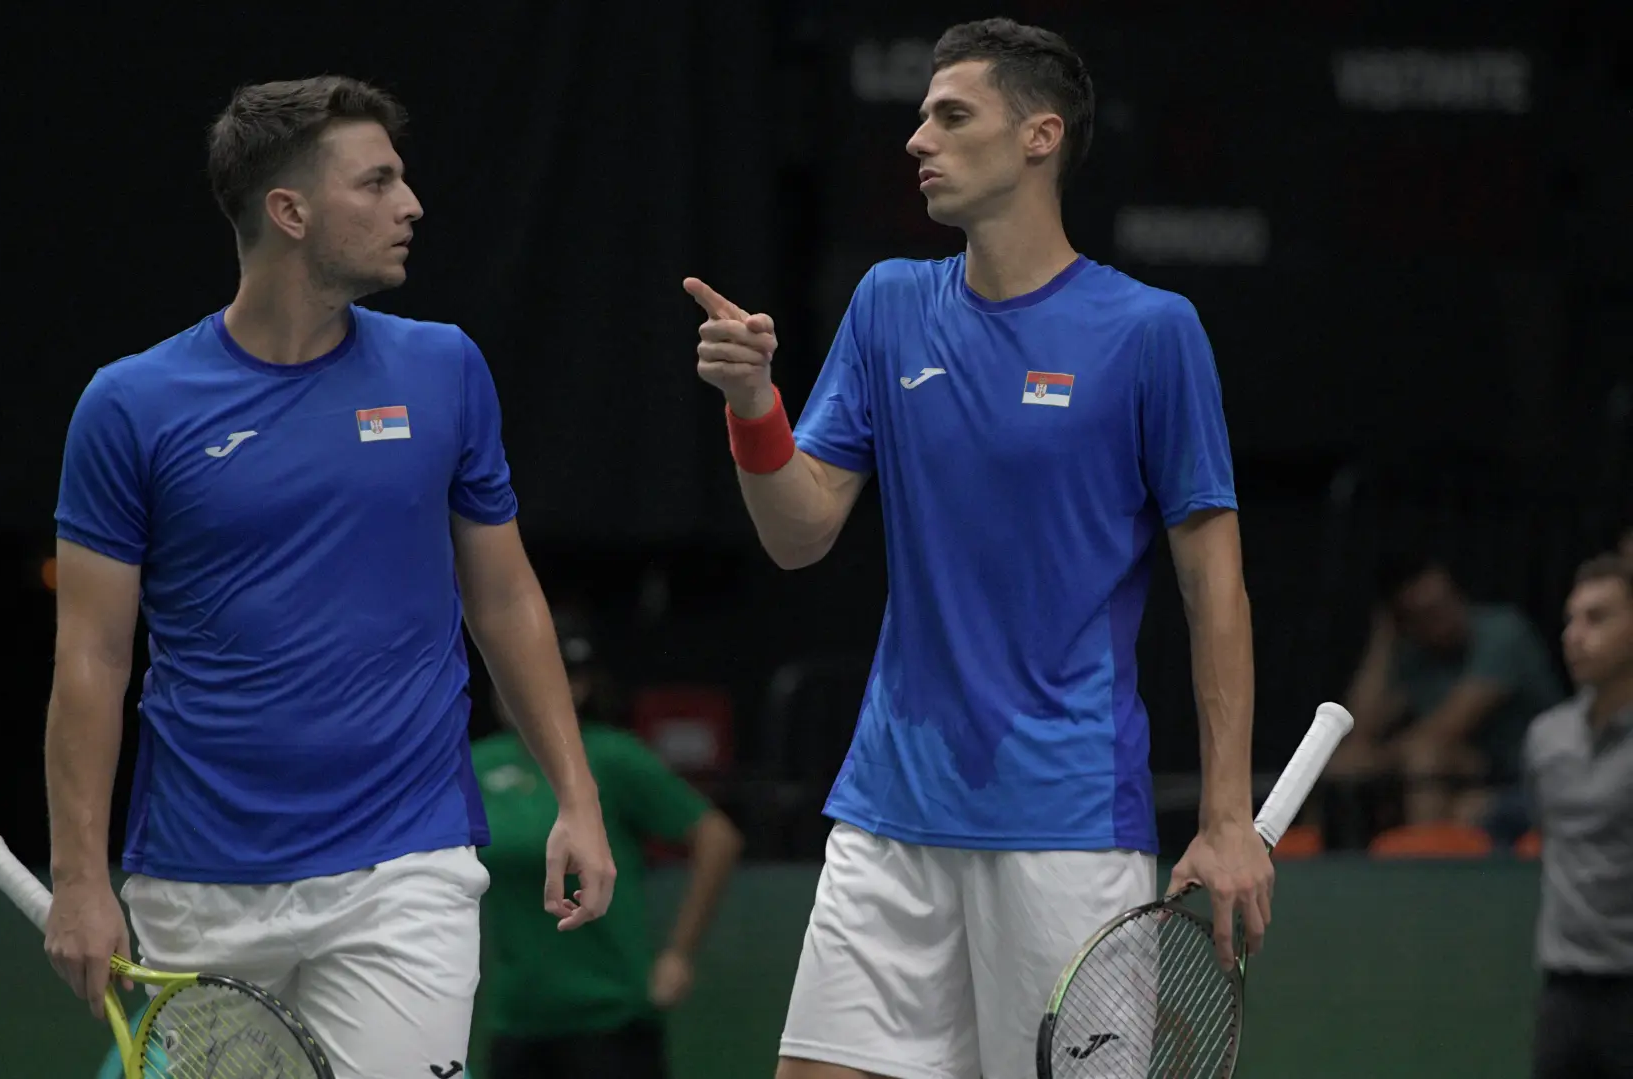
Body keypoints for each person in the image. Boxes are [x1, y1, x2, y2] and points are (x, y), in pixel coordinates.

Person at [681, 17, 1271, 1079]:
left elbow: (1213, 586)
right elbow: (800, 530)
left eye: (952, 116)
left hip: (1066, 823)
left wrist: (1229, 817)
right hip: (890, 808)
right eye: (917, 118)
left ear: (1040, 135)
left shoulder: (1150, 331)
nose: (919, 140)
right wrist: (754, 405)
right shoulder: (889, 306)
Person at [44, 75, 616, 1079]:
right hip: (198, 880)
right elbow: (91, 656)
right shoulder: (129, 405)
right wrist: (80, 876)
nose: (412, 205)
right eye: (379, 181)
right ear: (290, 210)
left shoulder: (445, 371)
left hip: (407, 862)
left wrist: (579, 794)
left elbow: (506, 596)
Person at [471, 602, 744, 1079]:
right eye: (508, 668)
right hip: (516, 1019)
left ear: (577, 687)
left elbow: (716, 837)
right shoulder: (478, 764)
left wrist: (679, 955)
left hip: (610, 1019)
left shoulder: (613, 758)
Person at [1333, 552, 1566, 830]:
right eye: (1429, 614)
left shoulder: (1502, 632)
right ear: (1406, 623)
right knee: (1340, 764)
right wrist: (1383, 641)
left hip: (1530, 779)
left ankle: (1425, 865)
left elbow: (1447, 727)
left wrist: (1376, 761)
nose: (1448, 617)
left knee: (1425, 756)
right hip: (1473, 774)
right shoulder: (1414, 655)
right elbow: (1358, 729)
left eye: (1448, 602)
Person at [1521, 553, 1633, 1079]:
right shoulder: (1546, 739)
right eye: (1571, 619)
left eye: (1597, 617)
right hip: (1564, 992)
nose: (1574, 635)